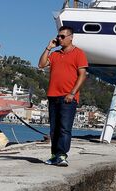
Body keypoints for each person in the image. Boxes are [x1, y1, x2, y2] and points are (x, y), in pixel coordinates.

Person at [38, 26, 88, 167]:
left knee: (64, 128)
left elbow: (82, 75)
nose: (59, 38)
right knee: (54, 129)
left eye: (62, 36)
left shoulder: (79, 53)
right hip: (53, 96)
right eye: (58, 36)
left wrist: (72, 93)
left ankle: (62, 155)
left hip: (68, 97)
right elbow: (41, 65)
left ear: (71, 37)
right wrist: (49, 48)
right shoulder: (54, 54)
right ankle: (54, 155)